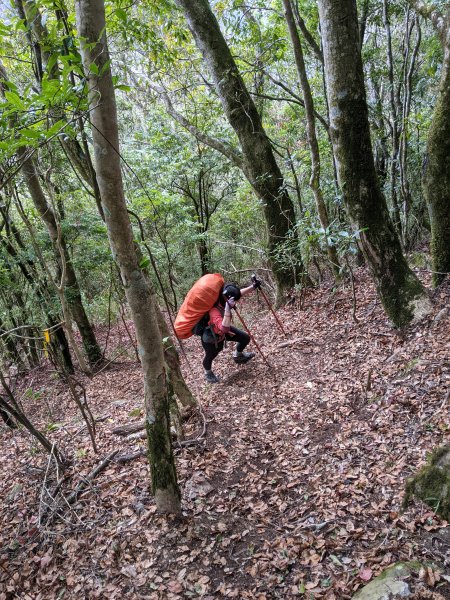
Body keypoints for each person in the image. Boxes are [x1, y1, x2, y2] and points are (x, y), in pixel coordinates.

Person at [202, 277, 261, 383]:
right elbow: (224, 328)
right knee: (211, 355)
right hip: (213, 336)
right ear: (227, 299)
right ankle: (208, 373)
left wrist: (253, 287)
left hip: (224, 331)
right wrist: (228, 309)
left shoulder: (225, 297)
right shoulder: (214, 310)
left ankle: (238, 356)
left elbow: (239, 293)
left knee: (245, 338)